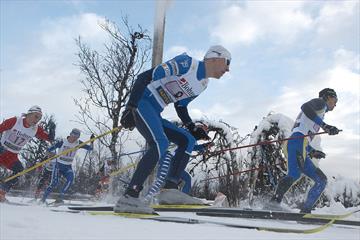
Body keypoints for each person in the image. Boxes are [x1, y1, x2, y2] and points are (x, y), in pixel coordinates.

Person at [116, 45, 231, 214]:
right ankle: (130, 196)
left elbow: (181, 105)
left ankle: (170, 190)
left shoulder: (203, 84)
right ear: (214, 58)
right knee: (160, 143)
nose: (228, 69)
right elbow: (144, 77)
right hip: (143, 101)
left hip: (156, 110)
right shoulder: (187, 64)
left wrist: (193, 128)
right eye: (227, 63)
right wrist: (130, 106)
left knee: (187, 140)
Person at [270, 88, 340, 213]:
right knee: (294, 174)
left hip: (298, 144)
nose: (335, 104)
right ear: (328, 97)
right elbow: (305, 106)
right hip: (296, 143)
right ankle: (274, 202)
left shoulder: (318, 112)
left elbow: (302, 134)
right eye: (335, 100)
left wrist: (312, 151)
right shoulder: (320, 103)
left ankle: (305, 211)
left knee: (321, 180)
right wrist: (325, 126)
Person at [0, 106, 55, 202]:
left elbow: (48, 138)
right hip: (2, 149)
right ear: (29, 114)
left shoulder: (36, 129)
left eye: (39, 118)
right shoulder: (15, 121)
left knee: (19, 170)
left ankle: (2, 192)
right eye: (35, 116)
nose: (37, 120)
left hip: (12, 156)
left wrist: (52, 133)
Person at [144, 141, 213, 203]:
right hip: (167, 160)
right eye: (204, 127)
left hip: (175, 166)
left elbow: (192, 147)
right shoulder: (186, 134)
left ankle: (182, 198)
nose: (205, 131)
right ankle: (145, 199)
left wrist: (204, 146)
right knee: (160, 181)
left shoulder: (192, 139)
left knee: (187, 179)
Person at [41, 128, 93, 204]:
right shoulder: (63, 142)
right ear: (70, 134)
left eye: (77, 136)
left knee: (70, 180)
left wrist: (92, 141)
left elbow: (90, 148)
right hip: (58, 165)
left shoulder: (78, 143)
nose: (74, 138)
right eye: (73, 135)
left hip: (68, 167)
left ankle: (59, 198)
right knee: (54, 183)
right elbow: (50, 149)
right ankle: (43, 199)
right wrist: (49, 153)